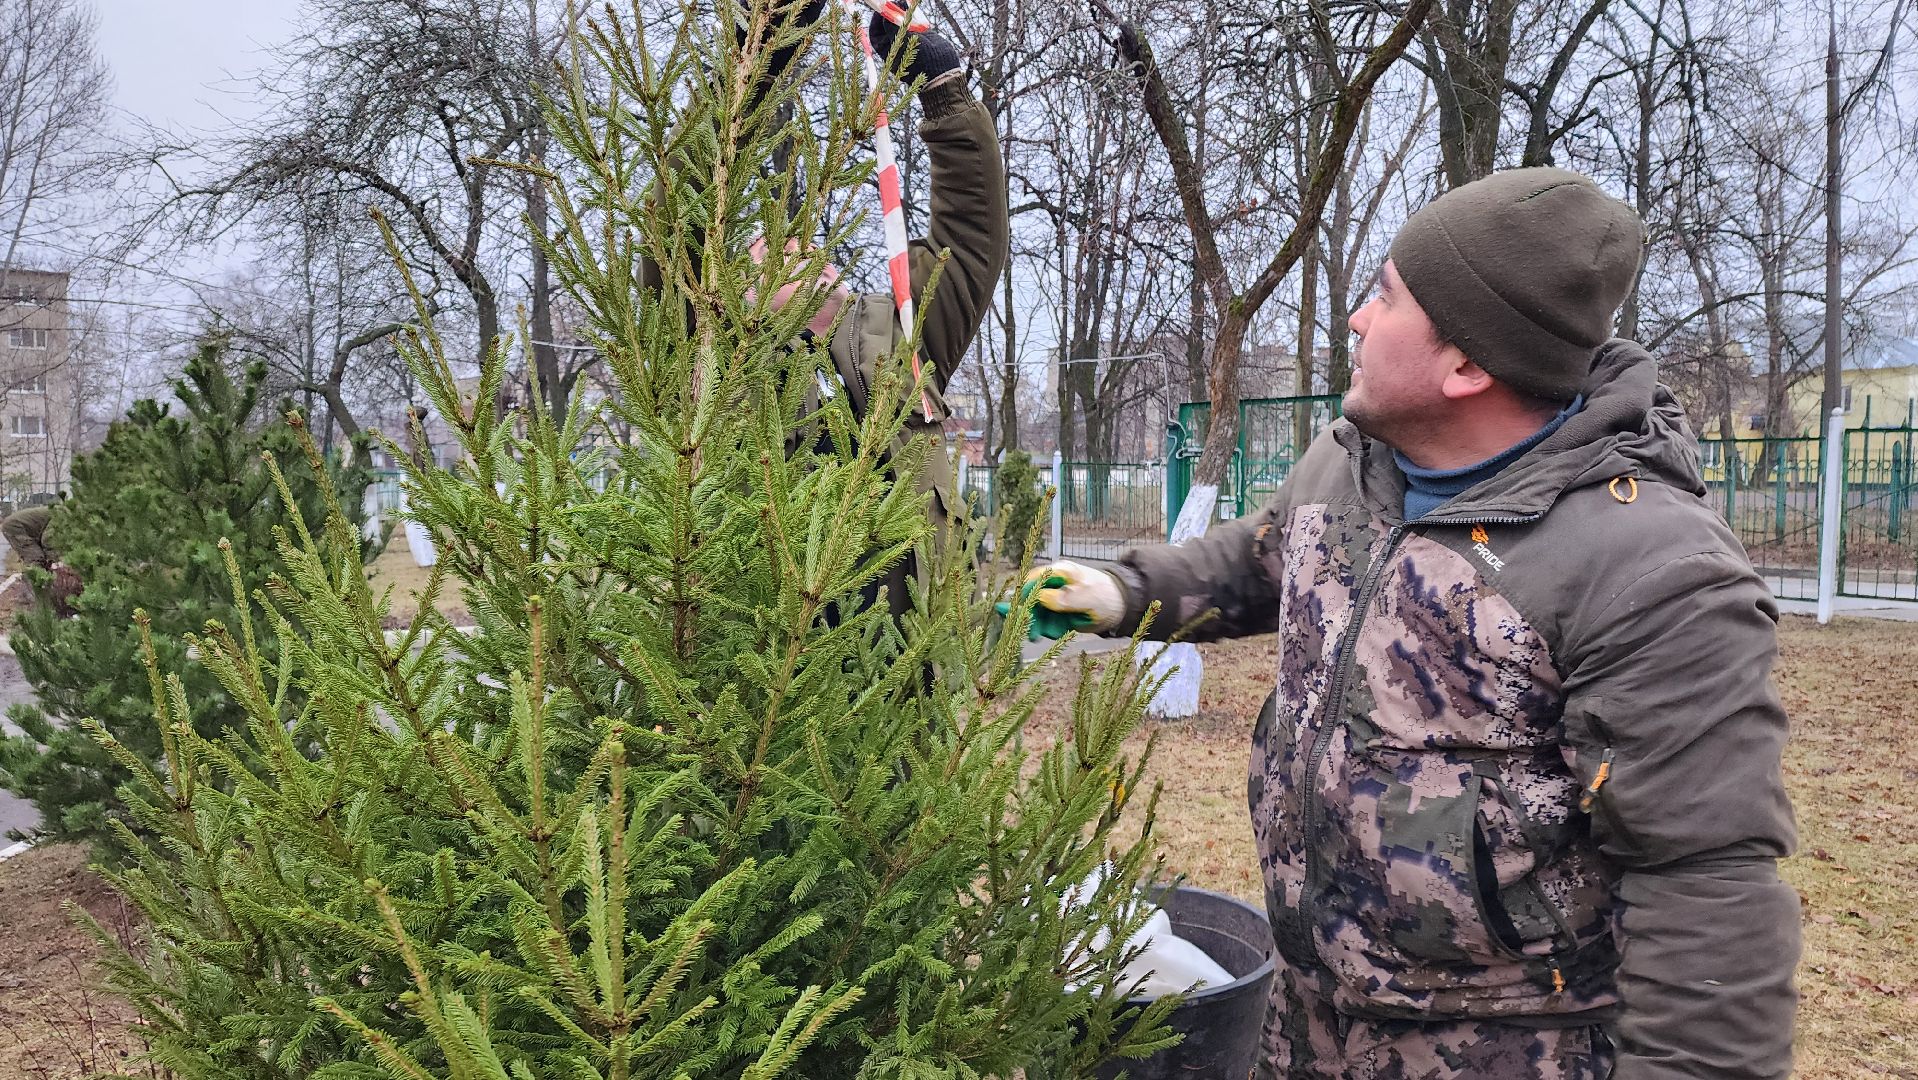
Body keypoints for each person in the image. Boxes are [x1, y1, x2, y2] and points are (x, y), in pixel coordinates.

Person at [1015, 168, 1798, 1079]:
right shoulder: (1353, 462)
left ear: (1466, 364)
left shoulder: (1650, 571)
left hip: (1499, 1051)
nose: (1353, 319)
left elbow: (1708, 892)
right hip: (1303, 1017)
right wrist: (1120, 593)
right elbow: (1257, 562)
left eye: (1385, 298)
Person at [644, 1, 1008, 615]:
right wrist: (755, 62)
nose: (796, 246)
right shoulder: (712, 365)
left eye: (808, 242)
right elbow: (671, 231)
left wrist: (945, 95)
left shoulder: (898, 334)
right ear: (733, 292)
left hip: (910, 698)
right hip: (776, 699)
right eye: (769, 246)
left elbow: (971, 243)